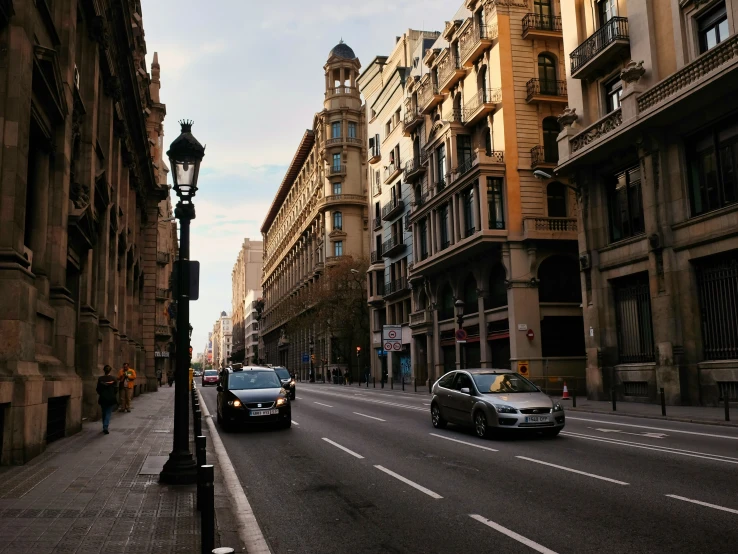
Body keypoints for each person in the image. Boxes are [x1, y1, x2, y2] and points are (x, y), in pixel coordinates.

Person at [97, 365, 117, 434]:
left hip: (103, 397)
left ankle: (104, 426)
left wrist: (101, 394)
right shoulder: (113, 378)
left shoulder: (100, 379)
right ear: (110, 370)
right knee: (108, 412)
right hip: (110, 397)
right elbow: (115, 389)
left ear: (104, 370)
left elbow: (98, 389)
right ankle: (105, 426)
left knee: (104, 412)